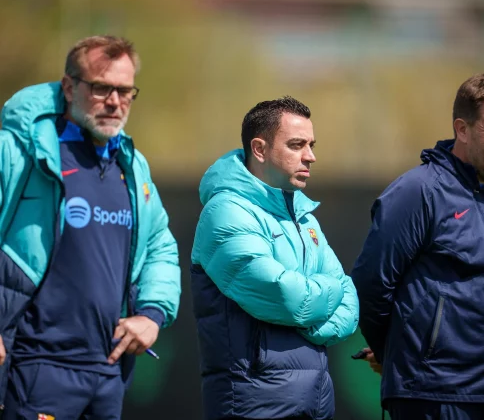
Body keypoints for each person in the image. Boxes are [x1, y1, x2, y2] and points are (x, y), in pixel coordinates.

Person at [0, 35, 181, 419]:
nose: (114, 102)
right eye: (101, 88)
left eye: (125, 91)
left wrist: (152, 314)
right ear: (69, 87)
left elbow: (161, 247)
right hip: (35, 365)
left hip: (107, 371)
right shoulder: (20, 151)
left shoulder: (132, 167)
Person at [351, 73, 484, 420]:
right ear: (462, 129)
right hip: (435, 395)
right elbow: (371, 284)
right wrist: (394, 353)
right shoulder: (418, 192)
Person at [190, 96, 359, 420]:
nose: (310, 156)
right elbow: (288, 298)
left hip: (316, 402)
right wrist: (323, 296)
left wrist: (313, 314)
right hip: (254, 402)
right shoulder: (227, 211)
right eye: (297, 145)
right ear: (259, 149)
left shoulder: (304, 215)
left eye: (311, 145)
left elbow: (349, 303)